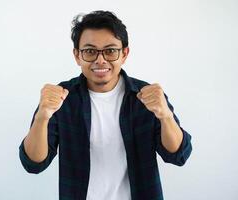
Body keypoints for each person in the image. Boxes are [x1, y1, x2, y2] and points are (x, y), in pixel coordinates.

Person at [19, 10, 192, 200]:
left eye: (110, 51)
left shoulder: (148, 96)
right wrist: (41, 118)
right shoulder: (61, 98)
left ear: (124, 54)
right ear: (77, 55)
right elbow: (33, 164)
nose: (100, 60)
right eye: (90, 51)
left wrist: (165, 116)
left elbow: (178, 155)